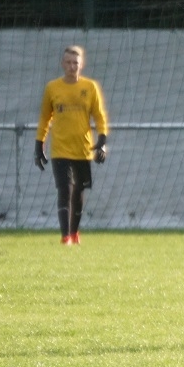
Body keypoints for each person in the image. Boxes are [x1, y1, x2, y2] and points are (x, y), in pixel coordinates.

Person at [35, 45, 110, 245]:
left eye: (75, 63)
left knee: (78, 193)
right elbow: (45, 118)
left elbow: (99, 116)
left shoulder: (90, 87)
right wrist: (39, 144)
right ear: (62, 64)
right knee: (65, 189)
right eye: (68, 62)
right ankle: (65, 236)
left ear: (81, 64)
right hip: (60, 149)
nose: (71, 66)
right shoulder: (53, 88)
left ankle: (75, 234)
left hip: (83, 149)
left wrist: (102, 141)